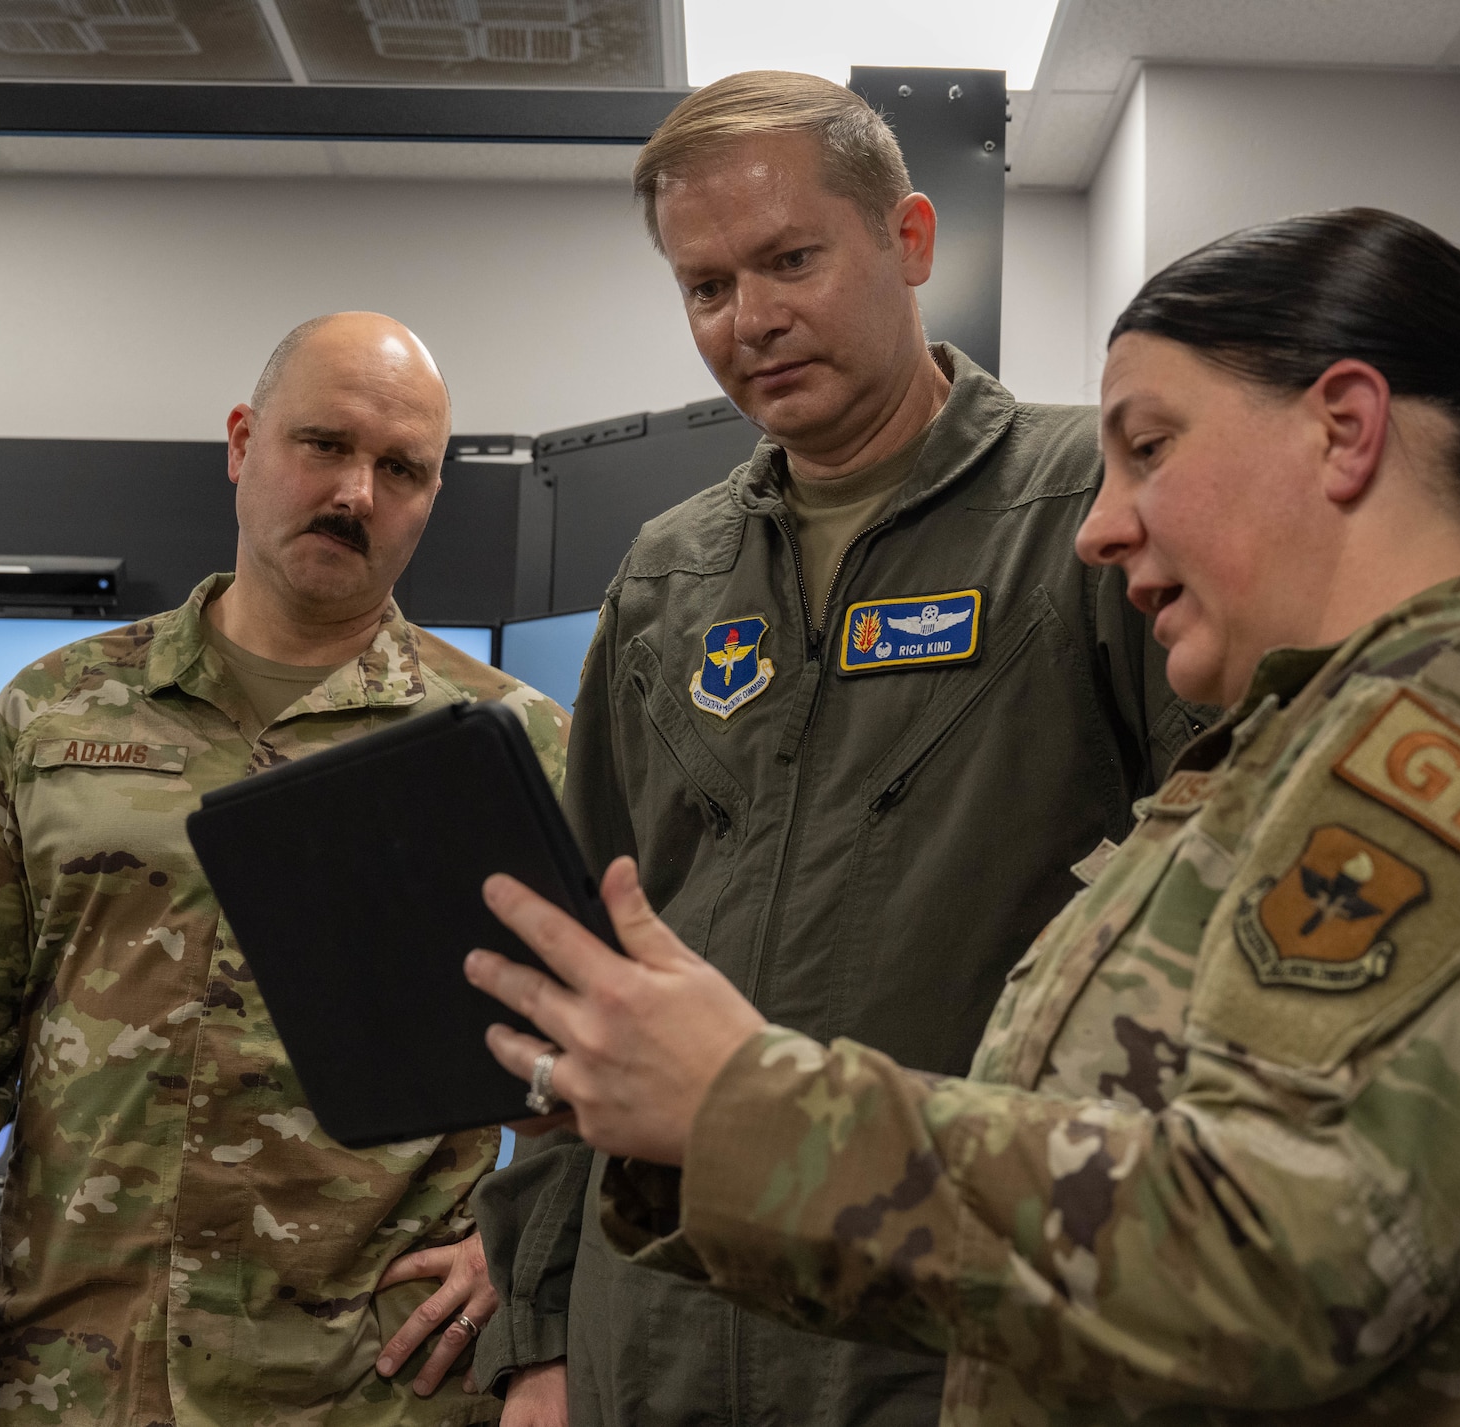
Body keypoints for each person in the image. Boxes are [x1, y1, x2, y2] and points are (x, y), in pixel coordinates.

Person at [463, 208, 1460, 1424]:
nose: (1097, 524)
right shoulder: (1286, 752)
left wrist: (741, 1102)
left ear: (1344, 428)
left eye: (1150, 447)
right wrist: (685, 1114)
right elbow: (1095, 1216)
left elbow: (1280, 1250)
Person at [471, 72, 1207, 1426]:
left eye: (791, 258)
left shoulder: (1089, 520)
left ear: (910, 239)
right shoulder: (666, 575)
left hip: (946, 1334)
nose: (750, 319)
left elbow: (1210, 951)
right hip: (663, 1328)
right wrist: (539, 1321)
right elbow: (575, 974)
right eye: (704, 287)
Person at [0, 312, 568, 1427]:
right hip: (71, 1388)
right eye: (323, 444)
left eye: (401, 468)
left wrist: (528, 1271)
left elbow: (623, 1087)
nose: (356, 492)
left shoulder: (517, 750)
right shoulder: (46, 721)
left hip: (383, 1393)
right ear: (240, 443)